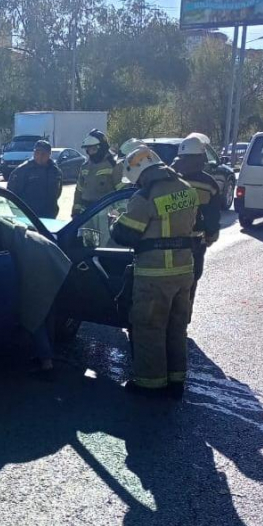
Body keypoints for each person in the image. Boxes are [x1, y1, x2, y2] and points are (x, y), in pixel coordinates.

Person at [110, 147, 199, 399]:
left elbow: (124, 234)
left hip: (154, 273)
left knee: (149, 328)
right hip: (184, 270)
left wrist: (114, 221)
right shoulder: (185, 187)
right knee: (176, 326)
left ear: (140, 173)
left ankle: (150, 385)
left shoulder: (145, 195)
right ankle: (176, 380)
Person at [0, 217, 71, 379]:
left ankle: (46, 364)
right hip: (48, 255)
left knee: (33, 312)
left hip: (40, 263)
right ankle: (46, 354)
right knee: (45, 311)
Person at [171, 133, 222, 303]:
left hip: (166, 241)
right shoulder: (209, 183)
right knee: (189, 285)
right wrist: (211, 236)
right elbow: (213, 216)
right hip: (195, 242)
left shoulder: (169, 178)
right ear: (201, 158)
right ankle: (182, 321)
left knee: (166, 284)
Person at [7, 139, 63, 219]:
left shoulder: (55, 171)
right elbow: (11, 194)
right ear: (33, 153)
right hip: (29, 216)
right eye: (37, 153)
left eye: (43, 154)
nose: (40, 156)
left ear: (49, 154)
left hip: (49, 215)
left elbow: (58, 192)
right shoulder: (23, 170)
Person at [73, 129, 125, 215]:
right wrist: (76, 211)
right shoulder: (85, 167)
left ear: (102, 148)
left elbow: (123, 192)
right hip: (86, 214)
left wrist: (119, 214)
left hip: (105, 213)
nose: (90, 153)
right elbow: (79, 191)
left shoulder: (114, 165)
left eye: (93, 149)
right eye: (88, 150)